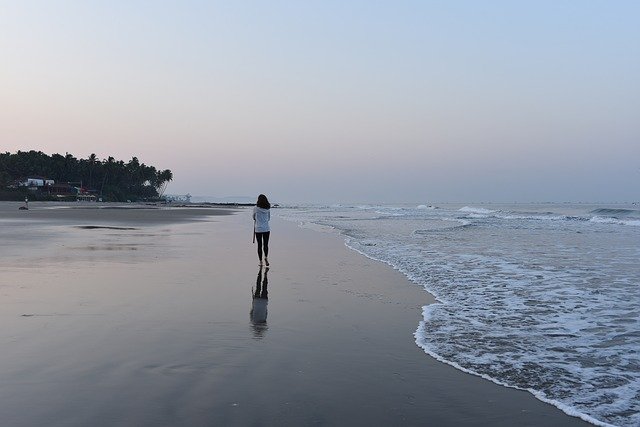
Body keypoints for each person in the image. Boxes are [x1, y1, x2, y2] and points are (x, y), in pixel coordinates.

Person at [253, 194, 271, 266]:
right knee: (266, 245)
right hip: (266, 228)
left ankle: (260, 262)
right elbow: (269, 218)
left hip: (258, 229)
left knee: (259, 245)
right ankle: (266, 257)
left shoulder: (255, 208)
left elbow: (253, 217)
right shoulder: (268, 209)